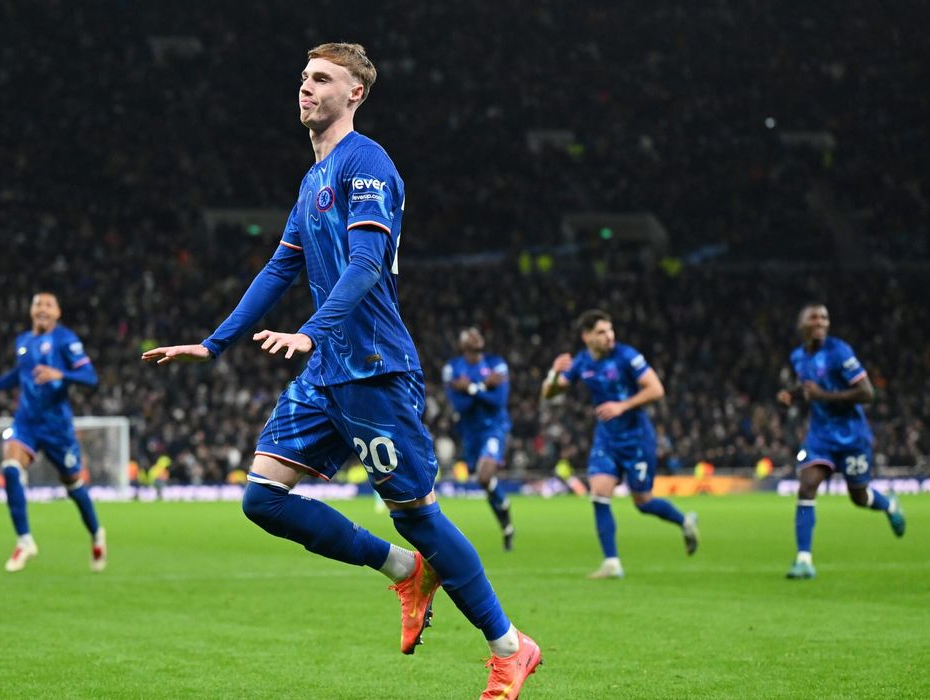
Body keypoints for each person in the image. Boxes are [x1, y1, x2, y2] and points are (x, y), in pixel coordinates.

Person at [142, 43, 540, 698]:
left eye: (321, 78)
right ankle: (404, 572)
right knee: (262, 498)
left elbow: (364, 265)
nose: (305, 86)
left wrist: (308, 332)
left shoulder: (367, 163)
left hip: (373, 370)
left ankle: (509, 646)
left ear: (354, 93)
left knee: (416, 513)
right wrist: (213, 345)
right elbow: (279, 269)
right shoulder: (311, 181)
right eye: (302, 76)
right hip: (326, 370)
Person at [542, 309, 698, 579]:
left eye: (610, 330)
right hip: (606, 438)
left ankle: (685, 521)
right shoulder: (582, 361)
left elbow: (656, 389)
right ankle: (612, 562)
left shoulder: (627, 356)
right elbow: (549, 393)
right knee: (599, 493)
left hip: (637, 437)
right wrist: (554, 374)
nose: (609, 336)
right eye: (601, 332)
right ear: (587, 336)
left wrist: (622, 405)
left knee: (643, 501)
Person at [0, 292, 105, 572]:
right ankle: (25, 540)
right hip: (26, 422)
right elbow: (19, 374)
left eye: (48, 305)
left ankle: (96, 532)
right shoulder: (23, 341)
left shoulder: (66, 340)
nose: (42, 309)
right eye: (37, 304)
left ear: (58, 312)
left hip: (57, 428)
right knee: (10, 467)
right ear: (31, 311)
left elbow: (91, 377)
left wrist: (61, 375)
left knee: (73, 485)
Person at [777, 303, 905, 579]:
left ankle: (889, 504)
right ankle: (804, 559)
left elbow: (867, 393)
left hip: (851, 437)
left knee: (858, 497)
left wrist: (823, 396)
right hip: (820, 436)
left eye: (825, 317)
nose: (821, 321)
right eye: (814, 317)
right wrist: (793, 395)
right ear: (802, 324)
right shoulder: (798, 356)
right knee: (807, 485)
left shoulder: (839, 351)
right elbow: (810, 387)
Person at [442, 327, 515, 550]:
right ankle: (505, 520)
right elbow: (459, 405)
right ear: (462, 343)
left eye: (478, 334)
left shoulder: (496, 364)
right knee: (485, 483)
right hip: (470, 434)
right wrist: (484, 387)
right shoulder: (452, 368)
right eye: (470, 334)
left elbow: (499, 401)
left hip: (494, 428)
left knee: (484, 477)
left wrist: (471, 388)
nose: (476, 336)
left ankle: (504, 511)